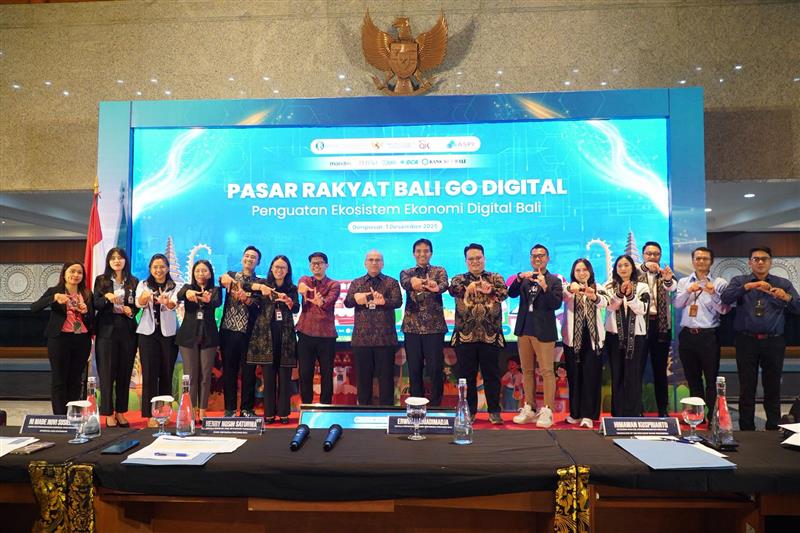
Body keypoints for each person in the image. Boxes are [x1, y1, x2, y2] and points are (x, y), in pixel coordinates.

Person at [721, 246, 800, 430]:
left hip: (774, 341)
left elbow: (798, 308)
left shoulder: (783, 283)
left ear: (770, 262)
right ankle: (746, 428)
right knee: (746, 386)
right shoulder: (740, 281)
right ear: (750, 263)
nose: (760, 262)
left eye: (764, 259)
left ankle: (773, 426)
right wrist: (748, 287)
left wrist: (787, 297)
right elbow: (725, 298)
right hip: (746, 340)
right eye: (756, 259)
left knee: (772, 385)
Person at [449, 243, 508, 424]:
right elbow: (453, 290)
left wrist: (491, 290)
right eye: (471, 259)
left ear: (484, 259)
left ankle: (494, 411)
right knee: (467, 377)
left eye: (478, 258)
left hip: (490, 335)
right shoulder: (459, 279)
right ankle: (470, 411)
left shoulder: (495, 277)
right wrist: (469, 287)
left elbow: (504, 294)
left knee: (492, 375)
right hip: (465, 336)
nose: (475, 261)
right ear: (466, 261)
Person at [509, 244, 563, 428]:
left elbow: (555, 304)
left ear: (547, 258)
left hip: (544, 332)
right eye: (534, 256)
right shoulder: (526, 279)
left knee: (547, 371)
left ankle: (547, 410)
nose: (537, 259)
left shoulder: (554, 281)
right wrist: (518, 278)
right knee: (527, 371)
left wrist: (545, 287)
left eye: (541, 256)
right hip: (524, 329)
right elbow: (511, 293)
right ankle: (529, 407)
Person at [674, 246, 729, 421]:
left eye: (705, 258)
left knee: (711, 379)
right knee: (693, 378)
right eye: (697, 258)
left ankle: (713, 417)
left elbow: (724, 309)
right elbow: (677, 304)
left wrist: (713, 293)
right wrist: (689, 291)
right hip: (687, 335)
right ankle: (698, 416)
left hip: (708, 336)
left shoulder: (720, 283)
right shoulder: (684, 282)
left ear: (711, 261)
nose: (701, 261)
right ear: (693, 261)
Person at [31, 261, 94, 415]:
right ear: (64, 273)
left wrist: (86, 312)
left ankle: (73, 414)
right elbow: (34, 307)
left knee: (75, 379)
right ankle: (59, 417)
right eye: (72, 271)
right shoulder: (55, 291)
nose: (76, 275)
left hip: (81, 340)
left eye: (79, 272)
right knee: (59, 379)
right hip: (59, 339)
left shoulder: (87, 294)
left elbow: (92, 320)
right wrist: (54, 298)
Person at [344, 250, 402, 406]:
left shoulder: (391, 282)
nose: (374, 262)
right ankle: (363, 411)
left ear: (383, 263)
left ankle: (387, 412)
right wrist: (359, 298)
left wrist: (383, 301)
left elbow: (398, 301)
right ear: (365, 263)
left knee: (386, 381)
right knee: (363, 381)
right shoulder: (357, 283)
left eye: (378, 260)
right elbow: (347, 302)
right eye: (371, 259)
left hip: (385, 339)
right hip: (362, 339)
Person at [247, 255, 300, 424]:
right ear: (271, 268)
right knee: (268, 377)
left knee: (285, 377)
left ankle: (284, 413)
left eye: (283, 267)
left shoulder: (292, 288)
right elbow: (248, 288)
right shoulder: (264, 285)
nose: (279, 270)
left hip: (286, 337)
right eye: (276, 267)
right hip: (265, 336)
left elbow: (296, 308)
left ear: (287, 270)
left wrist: (289, 302)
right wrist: (258, 289)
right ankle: (269, 414)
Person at [399, 238, 449, 406]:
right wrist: (417, 282)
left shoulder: (439, 271)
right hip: (412, 329)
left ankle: (435, 406)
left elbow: (444, 285)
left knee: (435, 370)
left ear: (431, 253)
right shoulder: (406, 272)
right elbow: (406, 283)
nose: (422, 254)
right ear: (414, 254)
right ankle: (417, 406)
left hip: (434, 328)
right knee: (414, 369)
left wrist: (436, 286)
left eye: (426, 251)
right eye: (419, 251)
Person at [92, 248, 138, 428]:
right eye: (113, 258)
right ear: (109, 262)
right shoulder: (101, 280)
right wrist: (107, 298)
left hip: (127, 331)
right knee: (106, 374)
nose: (117, 261)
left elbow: (137, 306)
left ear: (125, 260)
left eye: (120, 258)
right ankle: (108, 413)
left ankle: (120, 412)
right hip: (106, 331)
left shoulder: (133, 281)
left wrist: (131, 311)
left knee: (124, 374)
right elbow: (96, 303)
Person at [136, 253, 182, 428]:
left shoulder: (174, 286)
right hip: (147, 334)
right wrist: (145, 297)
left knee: (166, 373)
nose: (159, 270)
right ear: (150, 269)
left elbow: (173, 305)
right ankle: (149, 415)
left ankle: (164, 412)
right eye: (155, 267)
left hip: (168, 335)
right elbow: (139, 303)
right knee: (149, 375)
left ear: (168, 268)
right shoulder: (143, 284)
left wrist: (166, 302)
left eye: (162, 266)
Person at [562, 258, 609, 428]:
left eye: (584, 270)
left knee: (590, 376)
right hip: (572, 339)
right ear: (573, 273)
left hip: (593, 339)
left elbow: (606, 303)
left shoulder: (598, 287)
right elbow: (563, 295)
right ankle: (575, 413)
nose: (581, 273)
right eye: (578, 270)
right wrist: (572, 288)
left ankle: (588, 415)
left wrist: (593, 296)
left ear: (590, 271)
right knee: (574, 376)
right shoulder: (568, 287)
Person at [176, 260, 222, 422]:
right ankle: (190, 410)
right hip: (188, 337)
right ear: (193, 273)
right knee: (190, 375)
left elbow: (217, 302)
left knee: (205, 375)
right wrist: (190, 293)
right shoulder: (187, 288)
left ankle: (202, 410)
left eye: (204, 270)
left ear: (210, 273)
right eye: (198, 270)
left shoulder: (215, 290)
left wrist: (207, 300)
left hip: (209, 337)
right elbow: (180, 295)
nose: (201, 273)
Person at [604, 255, 650, 417]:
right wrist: (620, 293)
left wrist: (630, 296)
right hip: (614, 337)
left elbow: (642, 309)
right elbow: (610, 307)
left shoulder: (643, 287)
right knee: (617, 374)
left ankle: (634, 413)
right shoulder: (608, 286)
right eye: (619, 266)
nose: (623, 268)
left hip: (636, 337)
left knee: (633, 375)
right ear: (615, 269)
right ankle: (617, 413)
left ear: (632, 268)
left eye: (626, 265)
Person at [218, 246, 261, 417]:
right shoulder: (231, 275)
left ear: (258, 262)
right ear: (242, 258)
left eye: (253, 257)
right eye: (247, 256)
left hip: (249, 334)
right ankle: (229, 409)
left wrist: (247, 299)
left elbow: (258, 305)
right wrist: (223, 277)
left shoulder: (261, 283)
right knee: (229, 371)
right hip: (228, 331)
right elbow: (221, 280)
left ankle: (246, 409)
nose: (249, 259)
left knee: (249, 372)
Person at [296, 252, 341, 405]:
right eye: (313, 263)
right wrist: (303, 289)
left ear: (326, 265)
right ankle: (306, 406)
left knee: (326, 374)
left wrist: (320, 301)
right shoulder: (306, 279)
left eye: (320, 263)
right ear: (310, 266)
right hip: (305, 333)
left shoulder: (334, 284)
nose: (316, 265)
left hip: (326, 335)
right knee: (305, 373)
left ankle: (326, 406)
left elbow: (329, 302)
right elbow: (302, 285)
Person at [638, 241, 676, 417]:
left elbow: (672, 287)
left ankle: (662, 409)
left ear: (660, 256)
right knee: (637, 369)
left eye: (656, 254)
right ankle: (636, 409)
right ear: (643, 255)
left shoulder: (666, 273)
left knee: (660, 370)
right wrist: (645, 268)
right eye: (649, 254)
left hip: (660, 326)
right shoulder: (636, 272)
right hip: (640, 326)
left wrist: (667, 279)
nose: (652, 257)